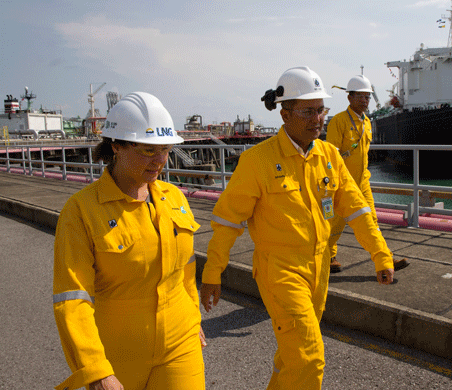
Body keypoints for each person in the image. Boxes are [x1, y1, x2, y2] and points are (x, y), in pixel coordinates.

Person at [200, 66, 395, 390]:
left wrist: (380, 253)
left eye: (321, 110)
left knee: (291, 359)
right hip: (280, 270)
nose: (317, 119)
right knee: (309, 356)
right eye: (307, 111)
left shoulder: (329, 156)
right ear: (285, 114)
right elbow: (227, 222)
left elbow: (357, 209)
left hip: (318, 269)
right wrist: (212, 273)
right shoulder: (257, 161)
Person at [53, 92, 206, 390]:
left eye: (165, 149)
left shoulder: (173, 198)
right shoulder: (82, 211)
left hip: (181, 338)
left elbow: (185, 269)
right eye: (148, 150)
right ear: (116, 147)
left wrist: (194, 317)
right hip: (119, 351)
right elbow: (73, 298)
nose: (160, 160)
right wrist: (95, 370)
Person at [326, 74, 409, 273]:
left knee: (371, 220)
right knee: (334, 224)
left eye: (368, 97)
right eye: (361, 96)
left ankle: (386, 259)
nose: (365, 101)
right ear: (349, 98)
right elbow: (329, 156)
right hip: (341, 184)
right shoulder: (338, 122)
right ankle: (327, 256)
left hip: (362, 182)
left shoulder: (367, 122)